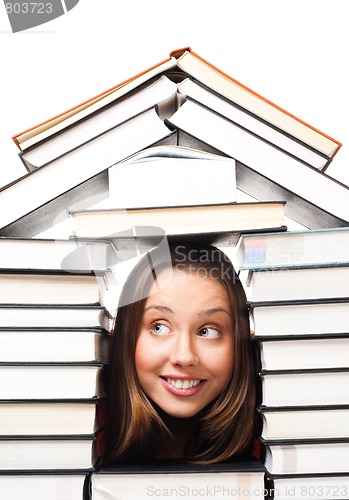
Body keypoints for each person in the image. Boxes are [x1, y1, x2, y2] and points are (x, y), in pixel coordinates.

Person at [99, 240, 257, 465]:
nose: (184, 357)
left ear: (242, 341)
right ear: (125, 337)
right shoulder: (86, 429)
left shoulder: (275, 436)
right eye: (159, 327)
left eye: (207, 331)